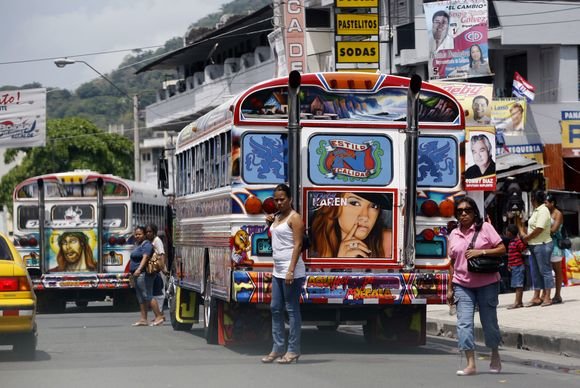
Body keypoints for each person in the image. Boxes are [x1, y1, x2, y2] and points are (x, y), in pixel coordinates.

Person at [447, 197, 506, 376]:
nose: (464, 214)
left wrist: (481, 251)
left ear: (474, 212)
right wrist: (450, 287)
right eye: (460, 211)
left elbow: (502, 248)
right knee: (464, 324)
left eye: (467, 210)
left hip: (487, 283)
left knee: (489, 323)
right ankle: (470, 364)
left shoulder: (485, 228)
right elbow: (452, 261)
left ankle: (495, 355)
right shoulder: (453, 234)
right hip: (462, 284)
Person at [261, 184, 306, 364]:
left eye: (282, 199)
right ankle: (278, 347)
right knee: (275, 308)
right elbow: (275, 239)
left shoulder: (295, 218)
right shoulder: (277, 218)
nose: (279, 203)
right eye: (276, 199)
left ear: (290, 200)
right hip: (277, 269)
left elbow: (298, 245)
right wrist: (269, 224)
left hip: (291, 270)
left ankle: (293, 350)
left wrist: (291, 270)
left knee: (291, 309)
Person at [310, 192, 392, 258]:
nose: (365, 216)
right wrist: (341, 263)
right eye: (354, 203)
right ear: (334, 207)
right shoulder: (310, 246)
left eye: (374, 206)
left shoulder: (388, 242)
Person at [517, 190, 553, 307]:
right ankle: (537, 296)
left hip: (542, 244)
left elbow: (539, 228)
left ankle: (547, 296)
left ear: (534, 199)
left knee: (545, 271)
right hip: (534, 245)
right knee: (536, 272)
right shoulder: (536, 211)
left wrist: (527, 237)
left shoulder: (543, 210)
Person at [130, 225, 164, 327]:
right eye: (136, 234)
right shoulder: (138, 245)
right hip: (137, 274)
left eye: (140, 234)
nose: (137, 236)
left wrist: (139, 269)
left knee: (147, 295)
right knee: (141, 297)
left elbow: (145, 257)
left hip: (143, 274)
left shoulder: (146, 245)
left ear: (144, 235)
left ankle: (159, 317)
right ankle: (143, 319)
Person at [545, 194, 564, 304]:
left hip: (555, 244)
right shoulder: (546, 213)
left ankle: (558, 295)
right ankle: (546, 295)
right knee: (547, 271)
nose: (545, 204)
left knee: (557, 271)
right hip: (546, 243)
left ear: (552, 203)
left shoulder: (558, 214)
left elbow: (554, 229)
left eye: (546, 202)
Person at [146, 223, 167, 314]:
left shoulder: (157, 241)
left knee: (160, 291)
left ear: (154, 232)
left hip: (160, 268)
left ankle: (160, 313)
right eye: (146, 232)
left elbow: (161, 254)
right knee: (155, 291)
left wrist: (163, 268)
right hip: (154, 270)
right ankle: (158, 313)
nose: (148, 233)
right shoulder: (150, 242)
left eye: (150, 232)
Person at [505, 224, 526, 309]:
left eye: (507, 231)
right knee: (517, 284)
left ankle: (517, 302)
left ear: (510, 232)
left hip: (518, 266)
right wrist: (509, 264)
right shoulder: (511, 241)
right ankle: (519, 302)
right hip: (514, 266)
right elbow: (510, 255)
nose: (506, 233)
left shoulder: (517, 241)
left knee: (518, 285)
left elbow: (523, 249)